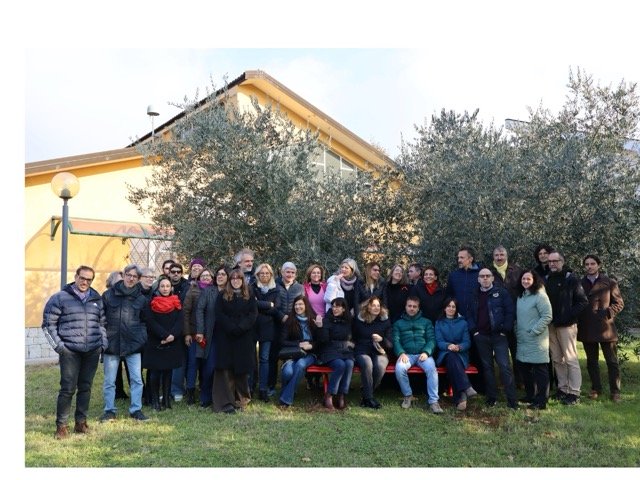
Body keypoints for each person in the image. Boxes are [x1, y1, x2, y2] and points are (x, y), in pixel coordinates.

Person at [42, 265, 108, 439]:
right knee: (67, 389)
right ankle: (61, 426)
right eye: (82, 278)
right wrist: (59, 347)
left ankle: (81, 423)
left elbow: (102, 324)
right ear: (76, 277)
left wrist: (102, 344)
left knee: (85, 387)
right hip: (69, 351)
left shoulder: (96, 298)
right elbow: (48, 325)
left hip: (92, 350)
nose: (85, 282)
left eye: (89, 279)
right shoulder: (59, 298)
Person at [100, 264, 149, 421]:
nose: (131, 278)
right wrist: (104, 338)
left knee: (136, 380)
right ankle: (109, 410)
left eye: (135, 276)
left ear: (138, 279)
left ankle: (136, 410)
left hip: (133, 345)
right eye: (129, 275)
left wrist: (141, 338)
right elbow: (101, 318)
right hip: (112, 343)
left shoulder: (141, 298)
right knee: (109, 381)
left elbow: (145, 321)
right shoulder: (108, 295)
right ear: (124, 275)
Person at [467, 268, 518, 409]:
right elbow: (469, 314)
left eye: (487, 276)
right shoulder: (474, 294)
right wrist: (474, 331)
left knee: (504, 366)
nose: (484, 278)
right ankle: (492, 397)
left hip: (499, 336)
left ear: (492, 278)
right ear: (478, 279)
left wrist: (505, 330)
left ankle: (512, 400)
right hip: (481, 336)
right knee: (487, 368)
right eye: (482, 276)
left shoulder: (501, 293)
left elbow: (510, 311)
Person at [577, 255, 625, 402]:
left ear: (598, 265)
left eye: (592, 264)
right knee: (592, 361)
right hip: (587, 327)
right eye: (587, 264)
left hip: (606, 328)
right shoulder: (579, 283)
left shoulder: (610, 282)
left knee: (612, 361)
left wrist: (607, 313)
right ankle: (596, 388)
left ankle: (615, 391)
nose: (589, 266)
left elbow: (619, 303)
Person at [545, 251, 588, 405]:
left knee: (570, 359)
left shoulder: (571, 279)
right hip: (551, 326)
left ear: (562, 261)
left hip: (567, 326)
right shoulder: (547, 279)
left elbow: (582, 302)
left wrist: (568, 316)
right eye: (550, 261)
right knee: (557, 359)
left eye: (555, 261)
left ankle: (574, 392)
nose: (552, 264)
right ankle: (562, 389)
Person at [212, 269, 257, 413]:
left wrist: (241, 327)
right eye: (233, 278)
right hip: (226, 337)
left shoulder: (249, 294)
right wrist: (231, 327)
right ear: (229, 280)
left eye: (239, 278)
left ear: (243, 280)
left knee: (241, 369)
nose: (236, 280)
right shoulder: (222, 295)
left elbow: (253, 314)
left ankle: (241, 399)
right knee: (226, 370)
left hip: (243, 337)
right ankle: (226, 402)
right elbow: (219, 314)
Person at [393, 296, 442, 413]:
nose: (412, 308)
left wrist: (426, 352)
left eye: (414, 306)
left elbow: (432, 339)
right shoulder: (398, 323)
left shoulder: (426, 322)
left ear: (418, 308)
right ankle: (407, 396)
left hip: (423, 355)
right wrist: (401, 353)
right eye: (409, 306)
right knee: (399, 369)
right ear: (405, 307)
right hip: (407, 355)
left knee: (431, 370)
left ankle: (434, 401)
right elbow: (396, 340)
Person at [143, 276, 184, 411]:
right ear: (158, 288)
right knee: (155, 373)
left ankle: (166, 400)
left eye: (167, 286)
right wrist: (165, 335)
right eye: (162, 286)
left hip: (172, 342)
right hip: (157, 342)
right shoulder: (151, 303)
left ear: (171, 288)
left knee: (168, 372)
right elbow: (150, 322)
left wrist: (172, 335)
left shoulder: (177, 303)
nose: (165, 289)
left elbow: (180, 321)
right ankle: (155, 400)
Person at [515, 270, 553, 410]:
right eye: (523, 278)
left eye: (528, 279)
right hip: (522, 338)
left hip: (536, 339)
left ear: (534, 280)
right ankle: (530, 395)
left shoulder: (540, 296)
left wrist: (535, 331)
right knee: (524, 368)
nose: (525, 281)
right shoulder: (521, 296)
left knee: (540, 369)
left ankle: (541, 400)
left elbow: (547, 316)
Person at [489, 246, 524, 387]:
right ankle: (504, 380)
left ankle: (520, 380)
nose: (499, 257)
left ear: (506, 255)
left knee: (516, 350)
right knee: (500, 352)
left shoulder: (516, 271)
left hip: (516, 317)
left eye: (502, 254)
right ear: (493, 257)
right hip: (497, 319)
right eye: (496, 255)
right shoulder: (489, 273)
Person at [194, 265, 229, 408]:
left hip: (228, 336)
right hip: (212, 335)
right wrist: (200, 331)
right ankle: (205, 397)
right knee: (209, 367)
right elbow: (200, 310)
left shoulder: (231, 292)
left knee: (225, 369)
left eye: (223, 274)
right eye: (218, 274)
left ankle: (222, 398)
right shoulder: (209, 291)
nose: (220, 276)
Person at [278, 295, 321, 407]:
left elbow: (321, 341)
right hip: (294, 353)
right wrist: (298, 344)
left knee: (301, 364)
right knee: (287, 372)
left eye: (301, 304)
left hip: (311, 354)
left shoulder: (314, 319)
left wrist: (311, 345)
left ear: (306, 305)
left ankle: (285, 398)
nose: (298, 307)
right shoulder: (290, 321)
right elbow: (282, 341)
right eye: (296, 304)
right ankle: (288, 391)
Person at [435, 298, 477, 411]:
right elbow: (439, 341)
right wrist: (448, 346)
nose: (451, 308)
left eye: (453, 307)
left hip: (461, 354)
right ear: (444, 308)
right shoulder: (439, 322)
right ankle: (466, 388)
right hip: (445, 353)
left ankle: (461, 397)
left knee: (453, 362)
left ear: (456, 309)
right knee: (451, 358)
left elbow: (467, 342)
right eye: (448, 306)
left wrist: (459, 347)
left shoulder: (463, 323)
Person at [352, 296, 392, 409]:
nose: (376, 308)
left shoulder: (385, 321)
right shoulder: (359, 320)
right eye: (373, 305)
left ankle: (366, 395)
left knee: (380, 365)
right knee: (367, 364)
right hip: (362, 349)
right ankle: (369, 398)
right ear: (368, 307)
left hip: (379, 350)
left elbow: (390, 342)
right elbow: (353, 337)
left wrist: (382, 339)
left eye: (378, 306)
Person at [316, 297, 355, 410]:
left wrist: (352, 343)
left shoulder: (348, 321)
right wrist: (320, 327)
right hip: (329, 350)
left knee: (349, 364)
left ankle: (342, 395)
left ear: (343, 309)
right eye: (333, 306)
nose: (334, 309)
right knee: (340, 365)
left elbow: (352, 336)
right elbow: (323, 340)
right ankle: (329, 395)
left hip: (345, 350)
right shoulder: (327, 320)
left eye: (337, 306)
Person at [182, 267, 214, 404]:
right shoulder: (192, 291)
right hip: (195, 334)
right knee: (193, 363)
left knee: (208, 364)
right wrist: (187, 333)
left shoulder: (215, 291)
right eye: (203, 275)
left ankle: (205, 390)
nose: (206, 278)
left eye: (208, 276)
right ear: (198, 278)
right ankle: (190, 392)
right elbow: (186, 313)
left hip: (211, 334)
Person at [253, 263, 283, 402]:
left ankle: (263, 390)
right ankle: (250, 386)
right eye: (261, 273)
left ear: (271, 275)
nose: (264, 275)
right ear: (257, 275)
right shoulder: (251, 287)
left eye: (267, 273)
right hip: (252, 327)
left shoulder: (276, 289)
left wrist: (260, 305)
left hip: (268, 329)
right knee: (251, 359)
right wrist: (267, 305)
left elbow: (276, 309)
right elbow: (250, 305)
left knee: (265, 359)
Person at [104, 271, 130, 401]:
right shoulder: (107, 296)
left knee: (129, 367)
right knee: (114, 369)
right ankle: (117, 392)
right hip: (111, 337)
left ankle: (123, 392)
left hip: (126, 338)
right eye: (119, 280)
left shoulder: (128, 295)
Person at [302, 263, 327, 391]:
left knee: (322, 347)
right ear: (309, 274)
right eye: (314, 273)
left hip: (324, 322)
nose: (316, 275)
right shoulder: (305, 287)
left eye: (318, 273)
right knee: (311, 348)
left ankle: (319, 378)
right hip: (311, 321)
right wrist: (313, 317)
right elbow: (304, 304)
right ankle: (310, 378)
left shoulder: (326, 286)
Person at [167, 262, 189, 402]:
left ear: (181, 273)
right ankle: (164, 388)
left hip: (180, 328)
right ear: (169, 273)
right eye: (173, 271)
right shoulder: (162, 285)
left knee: (180, 362)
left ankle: (176, 389)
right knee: (164, 361)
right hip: (164, 328)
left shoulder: (187, 287)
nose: (175, 274)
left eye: (178, 272)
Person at [446, 246, 481, 319]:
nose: (459, 260)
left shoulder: (481, 274)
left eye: (462, 258)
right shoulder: (453, 275)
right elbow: (449, 296)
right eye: (458, 258)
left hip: (477, 317)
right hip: (457, 317)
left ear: (470, 259)